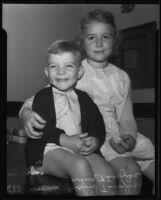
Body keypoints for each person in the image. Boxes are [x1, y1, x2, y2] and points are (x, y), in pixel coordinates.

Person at [20, 9, 155, 195]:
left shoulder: (121, 77)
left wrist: (128, 136)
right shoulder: (71, 70)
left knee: (135, 169)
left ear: (114, 39)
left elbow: (125, 117)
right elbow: (38, 101)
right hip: (78, 140)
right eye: (91, 37)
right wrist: (26, 113)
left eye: (105, 36)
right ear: (82, 41)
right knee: (119, 169)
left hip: (107, 135)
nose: (99, 43)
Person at [20, 40, 117, 196]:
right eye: (54, 66)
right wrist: (64, 139)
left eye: (68, 66)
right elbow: (37, 123)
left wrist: (95, 140)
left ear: (79, 72)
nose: (60, 72)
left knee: (107, 171)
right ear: (47, 72)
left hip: (77, 148)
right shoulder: (43, 96)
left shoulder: (85, 98)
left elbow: (97, 124)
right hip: (45, 152)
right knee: (80, 166)